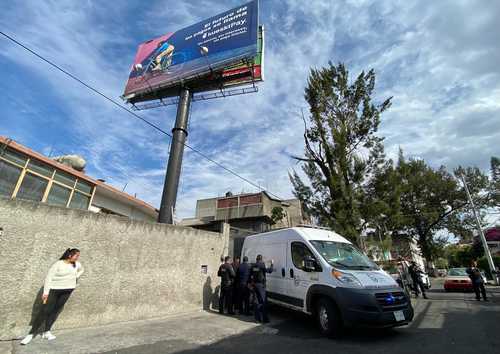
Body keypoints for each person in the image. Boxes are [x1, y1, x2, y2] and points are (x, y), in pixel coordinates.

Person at [20, 248, 84, 345]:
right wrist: (45, 293)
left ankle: (47, 332)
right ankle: (31, 334)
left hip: (67, 291)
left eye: (78, 256)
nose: (78, 258)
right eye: (76, 255)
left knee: (55, 311)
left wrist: (76, 276)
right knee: (45, 311)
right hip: (54, 290)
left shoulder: (77, 264)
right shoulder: (58, 264)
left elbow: (82, 270)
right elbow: (48, 278)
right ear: (70, 255)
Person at [249, 255, 273, 323]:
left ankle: (257, 319)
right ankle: (265, 319)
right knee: (263, 302)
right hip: (261, 285)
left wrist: (251, 283)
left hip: (254, 285)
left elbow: (251, 275)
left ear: (256, 259)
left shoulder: (253, 265)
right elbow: (269, 271)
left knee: (256, 302)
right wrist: (272, 264)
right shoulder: (262, 264)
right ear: (261, 259)